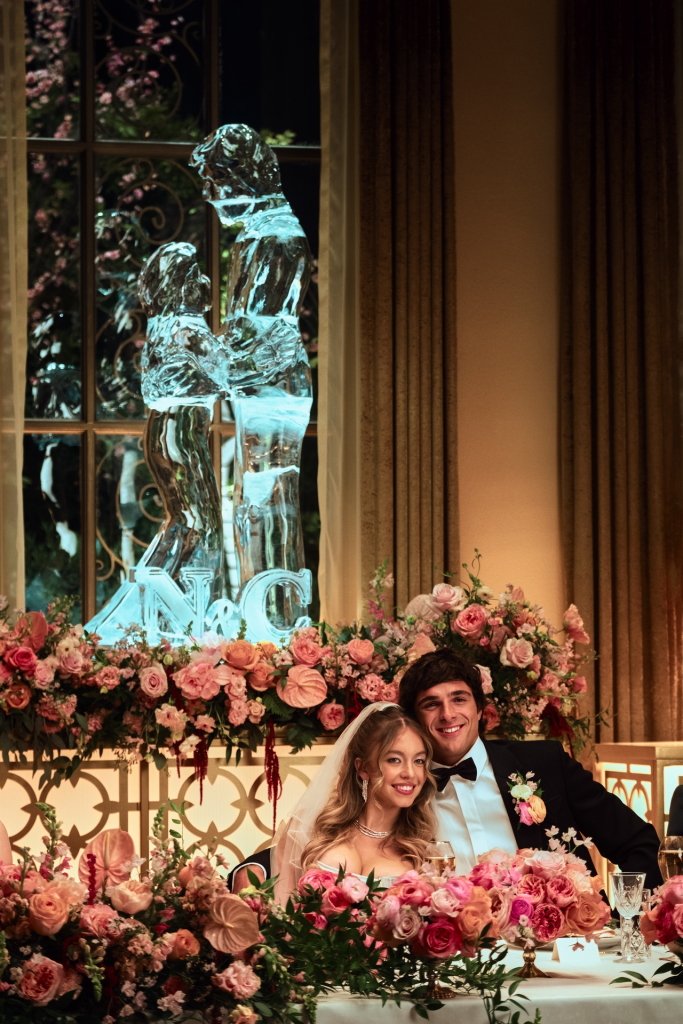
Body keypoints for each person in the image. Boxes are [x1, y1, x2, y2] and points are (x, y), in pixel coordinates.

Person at [398, 649, 662, 891]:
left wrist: (627, 921)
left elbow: (638, 843)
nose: (447, 714)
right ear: (414, 721)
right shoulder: (405, 793)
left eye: (459, 699)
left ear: (479, 709)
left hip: (564, 940)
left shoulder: (545, 763)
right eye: (431, 704)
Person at [230, 703, 436, 900]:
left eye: (419, 760)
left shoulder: (424, 849)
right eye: (394, 759)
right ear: (363, 768)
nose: (410, 773)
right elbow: (280, 907)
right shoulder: (309, 825)